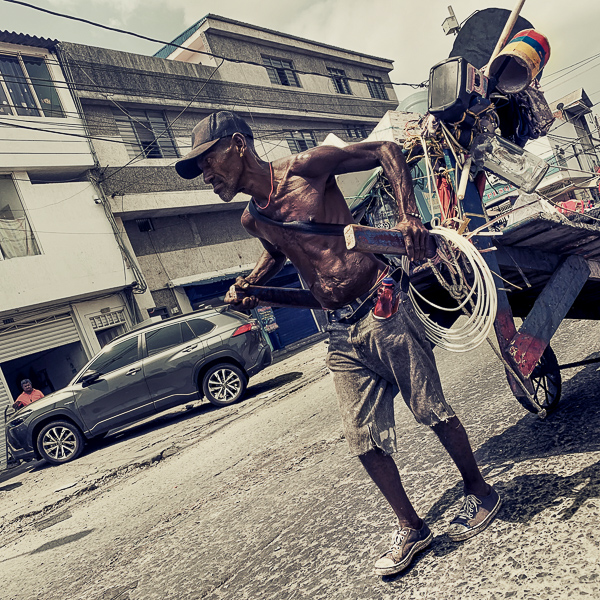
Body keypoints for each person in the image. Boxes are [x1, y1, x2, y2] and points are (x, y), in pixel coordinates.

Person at [175, 111, 501, 576]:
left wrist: (410, 216)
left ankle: (480, 491)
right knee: (361, 438)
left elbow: (384, 150)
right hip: (339, 331)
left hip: (381, 306)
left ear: (237, 146)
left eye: (207, 161)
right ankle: (412, 527)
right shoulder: (253, 218)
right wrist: (251, 283)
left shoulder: (306, 168)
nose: (205, 176)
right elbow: (280, 245)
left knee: (430, 410)